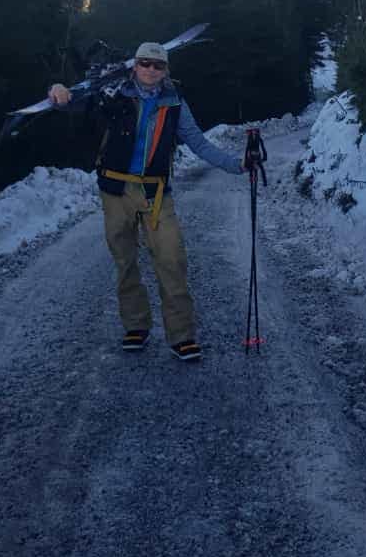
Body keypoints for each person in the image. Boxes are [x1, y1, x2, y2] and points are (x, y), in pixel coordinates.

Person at [48, 41, 246, 362]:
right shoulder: (113, 93)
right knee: (125, 260)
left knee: (172, 259)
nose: (151, 70)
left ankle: (182, 336)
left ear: (166, 70)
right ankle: (136, 326)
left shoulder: (174, 102)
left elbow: (198, 143)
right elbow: (73, 103)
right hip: (115, 189)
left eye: (158, 65)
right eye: (145, 63)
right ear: (134, 66)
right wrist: (57, 92)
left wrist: (237, 165)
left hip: (156, 192)